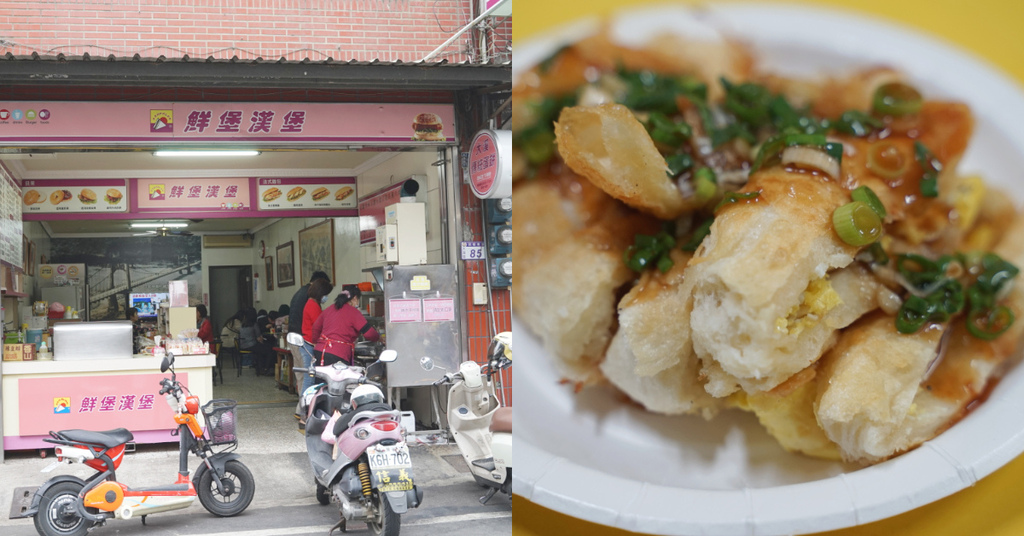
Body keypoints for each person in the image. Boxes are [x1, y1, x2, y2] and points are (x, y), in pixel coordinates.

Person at [310, 284, 380, 367]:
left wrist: (316, 342)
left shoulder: (329, 309)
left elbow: (316, 327)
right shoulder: (353, 312)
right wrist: (379, 338)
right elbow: (370, 334)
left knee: (322, 379)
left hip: (320, 352)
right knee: (339, 379)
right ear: (355, 298)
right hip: (338, 354)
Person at [289, 271, 331, 395]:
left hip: (294, 338)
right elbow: (317, 324)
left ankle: (302, 405)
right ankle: (304, 407)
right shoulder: (310, 299)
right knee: (308, 376)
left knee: (301, 376)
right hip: (303, 340)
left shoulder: (300, 292)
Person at [238, 307, 275, 376]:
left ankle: (260, 368)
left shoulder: (243, 324)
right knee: (270, 349)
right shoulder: (254, 324)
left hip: (242, 345)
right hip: (251, 345)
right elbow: (259, 338)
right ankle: (266, 369)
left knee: (261, 350)